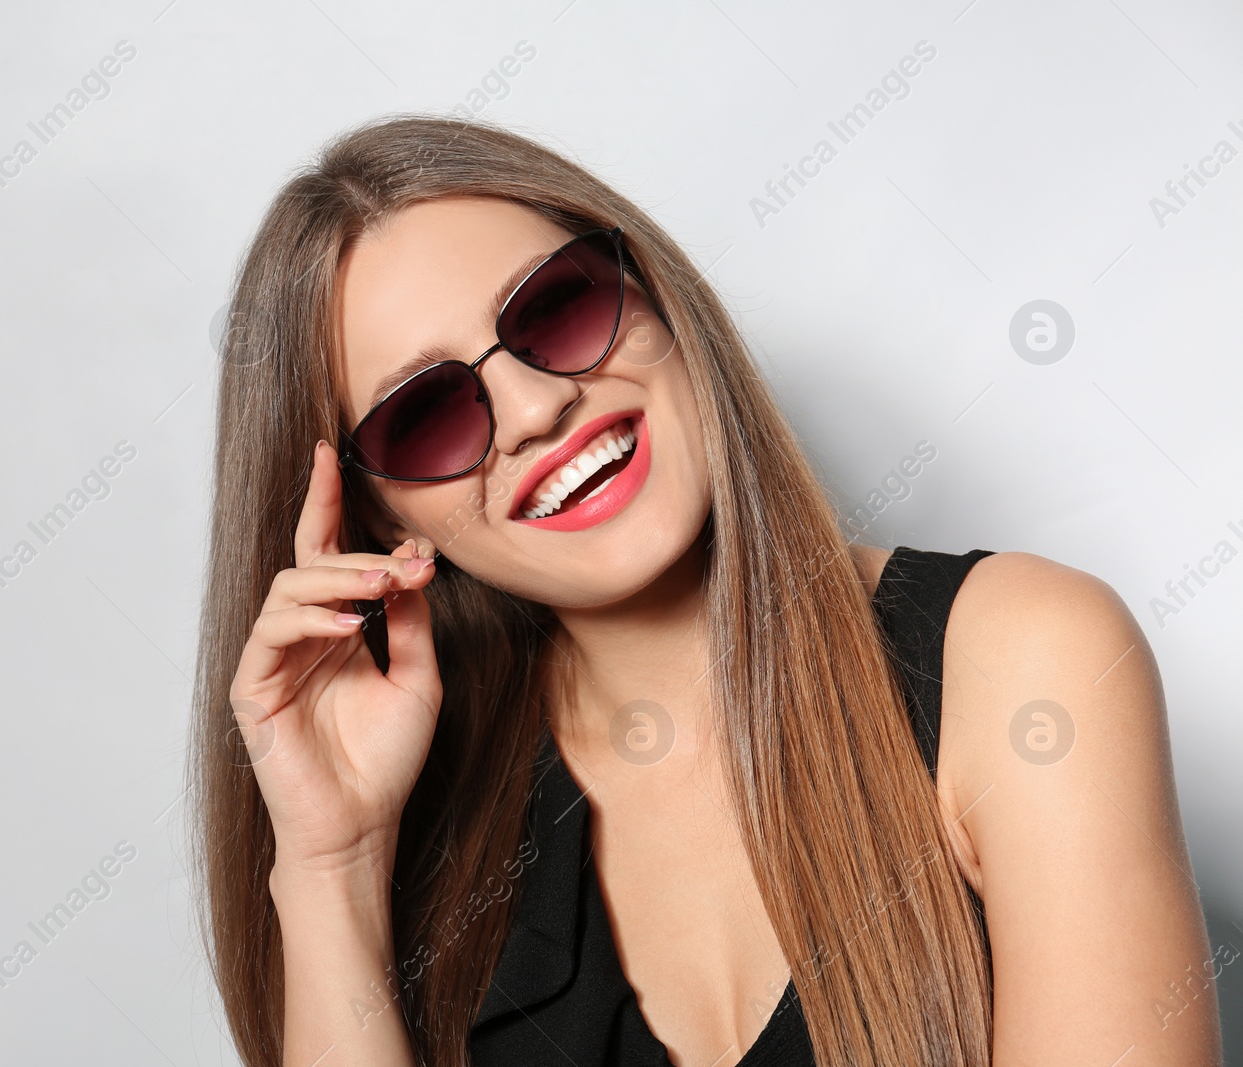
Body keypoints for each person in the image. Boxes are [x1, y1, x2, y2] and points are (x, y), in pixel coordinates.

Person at [190, 114, 1219, 1067]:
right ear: (382, 523)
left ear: (654, 294)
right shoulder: (427, 819)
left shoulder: (1026, 659)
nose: (540, 405)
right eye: (424, 415)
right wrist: (334, 863)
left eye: (557, 305)